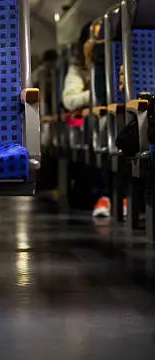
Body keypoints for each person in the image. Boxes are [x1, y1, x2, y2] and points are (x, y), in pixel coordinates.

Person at [62, 22, 113, 218]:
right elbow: (69, 100)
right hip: (86, 120)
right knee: (96, 129)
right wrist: (95, 95)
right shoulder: (78, 69)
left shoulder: (119, 59)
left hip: (112, 115)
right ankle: (102, 194)